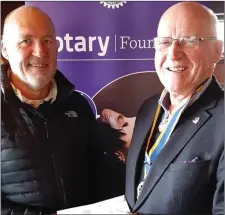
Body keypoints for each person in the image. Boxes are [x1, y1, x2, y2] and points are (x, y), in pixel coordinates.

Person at [125, 2, 224, 215]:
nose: (173, 53)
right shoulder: (147, 109)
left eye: (189, 41)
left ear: (217, 51)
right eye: (164, 42)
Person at [1, 6, 97, 214]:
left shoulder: (78, 105)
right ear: (5, 50)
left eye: (47, 41)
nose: (40, 51)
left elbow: (97, 176)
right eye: (26, 41)